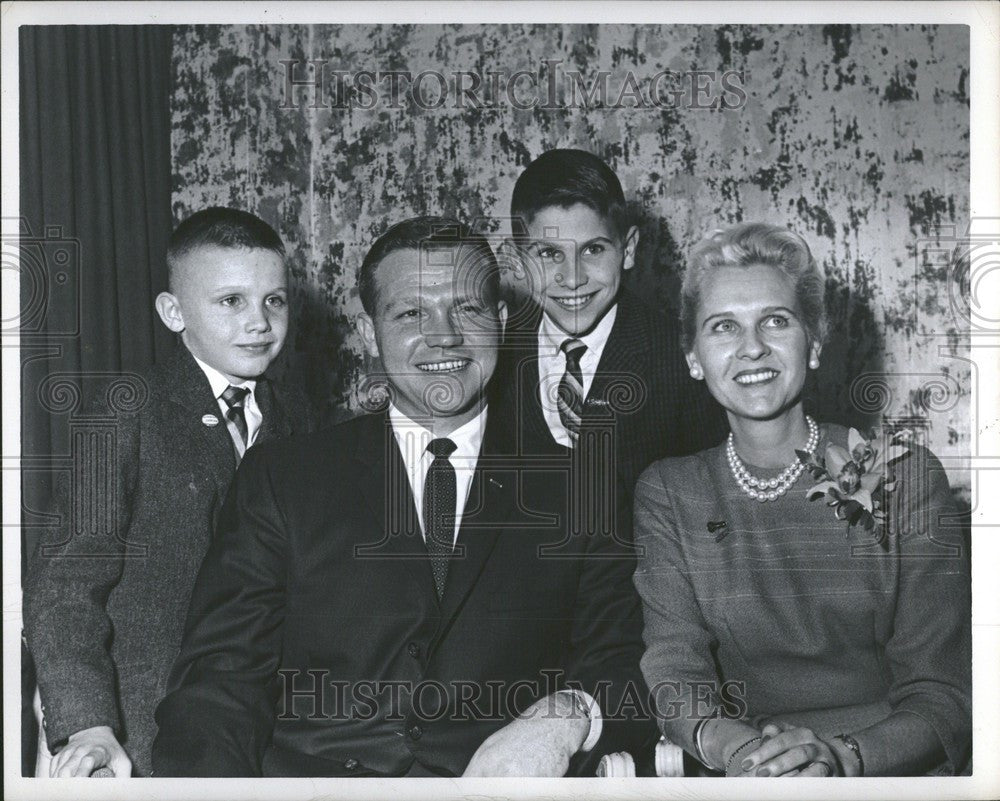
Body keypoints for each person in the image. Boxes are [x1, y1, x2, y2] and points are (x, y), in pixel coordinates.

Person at [151, 216, 654, 778]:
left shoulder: (579, 486)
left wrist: (561, 718)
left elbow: (626, 663)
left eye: (466, 309)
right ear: (370, 334)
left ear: (503, 320)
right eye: (411, 313)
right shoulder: (282, 478)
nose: (444, 335)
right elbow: (219, 683)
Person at [632, 222, 971, 777]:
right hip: (748, 772)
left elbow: (944, 693)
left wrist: (841, 759)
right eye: (723, 327)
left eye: (775, 320)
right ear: (693, 357)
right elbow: (676, 672)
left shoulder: (907, 476)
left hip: (891, 771)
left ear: (812, 343)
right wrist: (745, 755)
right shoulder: (670, 492)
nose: (752, 347)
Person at [23, 207, 317, 777]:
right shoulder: (128, 408)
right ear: (173, 312)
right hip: (142, 730)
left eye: (273, 301)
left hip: (265, 730)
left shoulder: (299, 421)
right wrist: (88, 724)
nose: (258, 322)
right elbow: (64, 585)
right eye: (231, 301)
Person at [493, 148, 728, 499]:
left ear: (628, 249)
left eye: (593, 250)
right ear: (517, 260)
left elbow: (713, 497)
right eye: (547, 253)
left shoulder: (682, 355)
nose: (572, 279)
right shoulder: (492, 352)